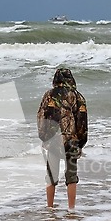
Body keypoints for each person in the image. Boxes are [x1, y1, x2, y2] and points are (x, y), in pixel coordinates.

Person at [37, 68, 88, 210]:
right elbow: (82, 121)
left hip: (53, 140)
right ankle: (71, 209)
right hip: (71, 140)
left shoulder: (49, 95)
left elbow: (42, 117)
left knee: (51, 174)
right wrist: (81, 142)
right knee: (71, 176)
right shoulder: (78, 97)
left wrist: (44, 136)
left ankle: (50, 207)